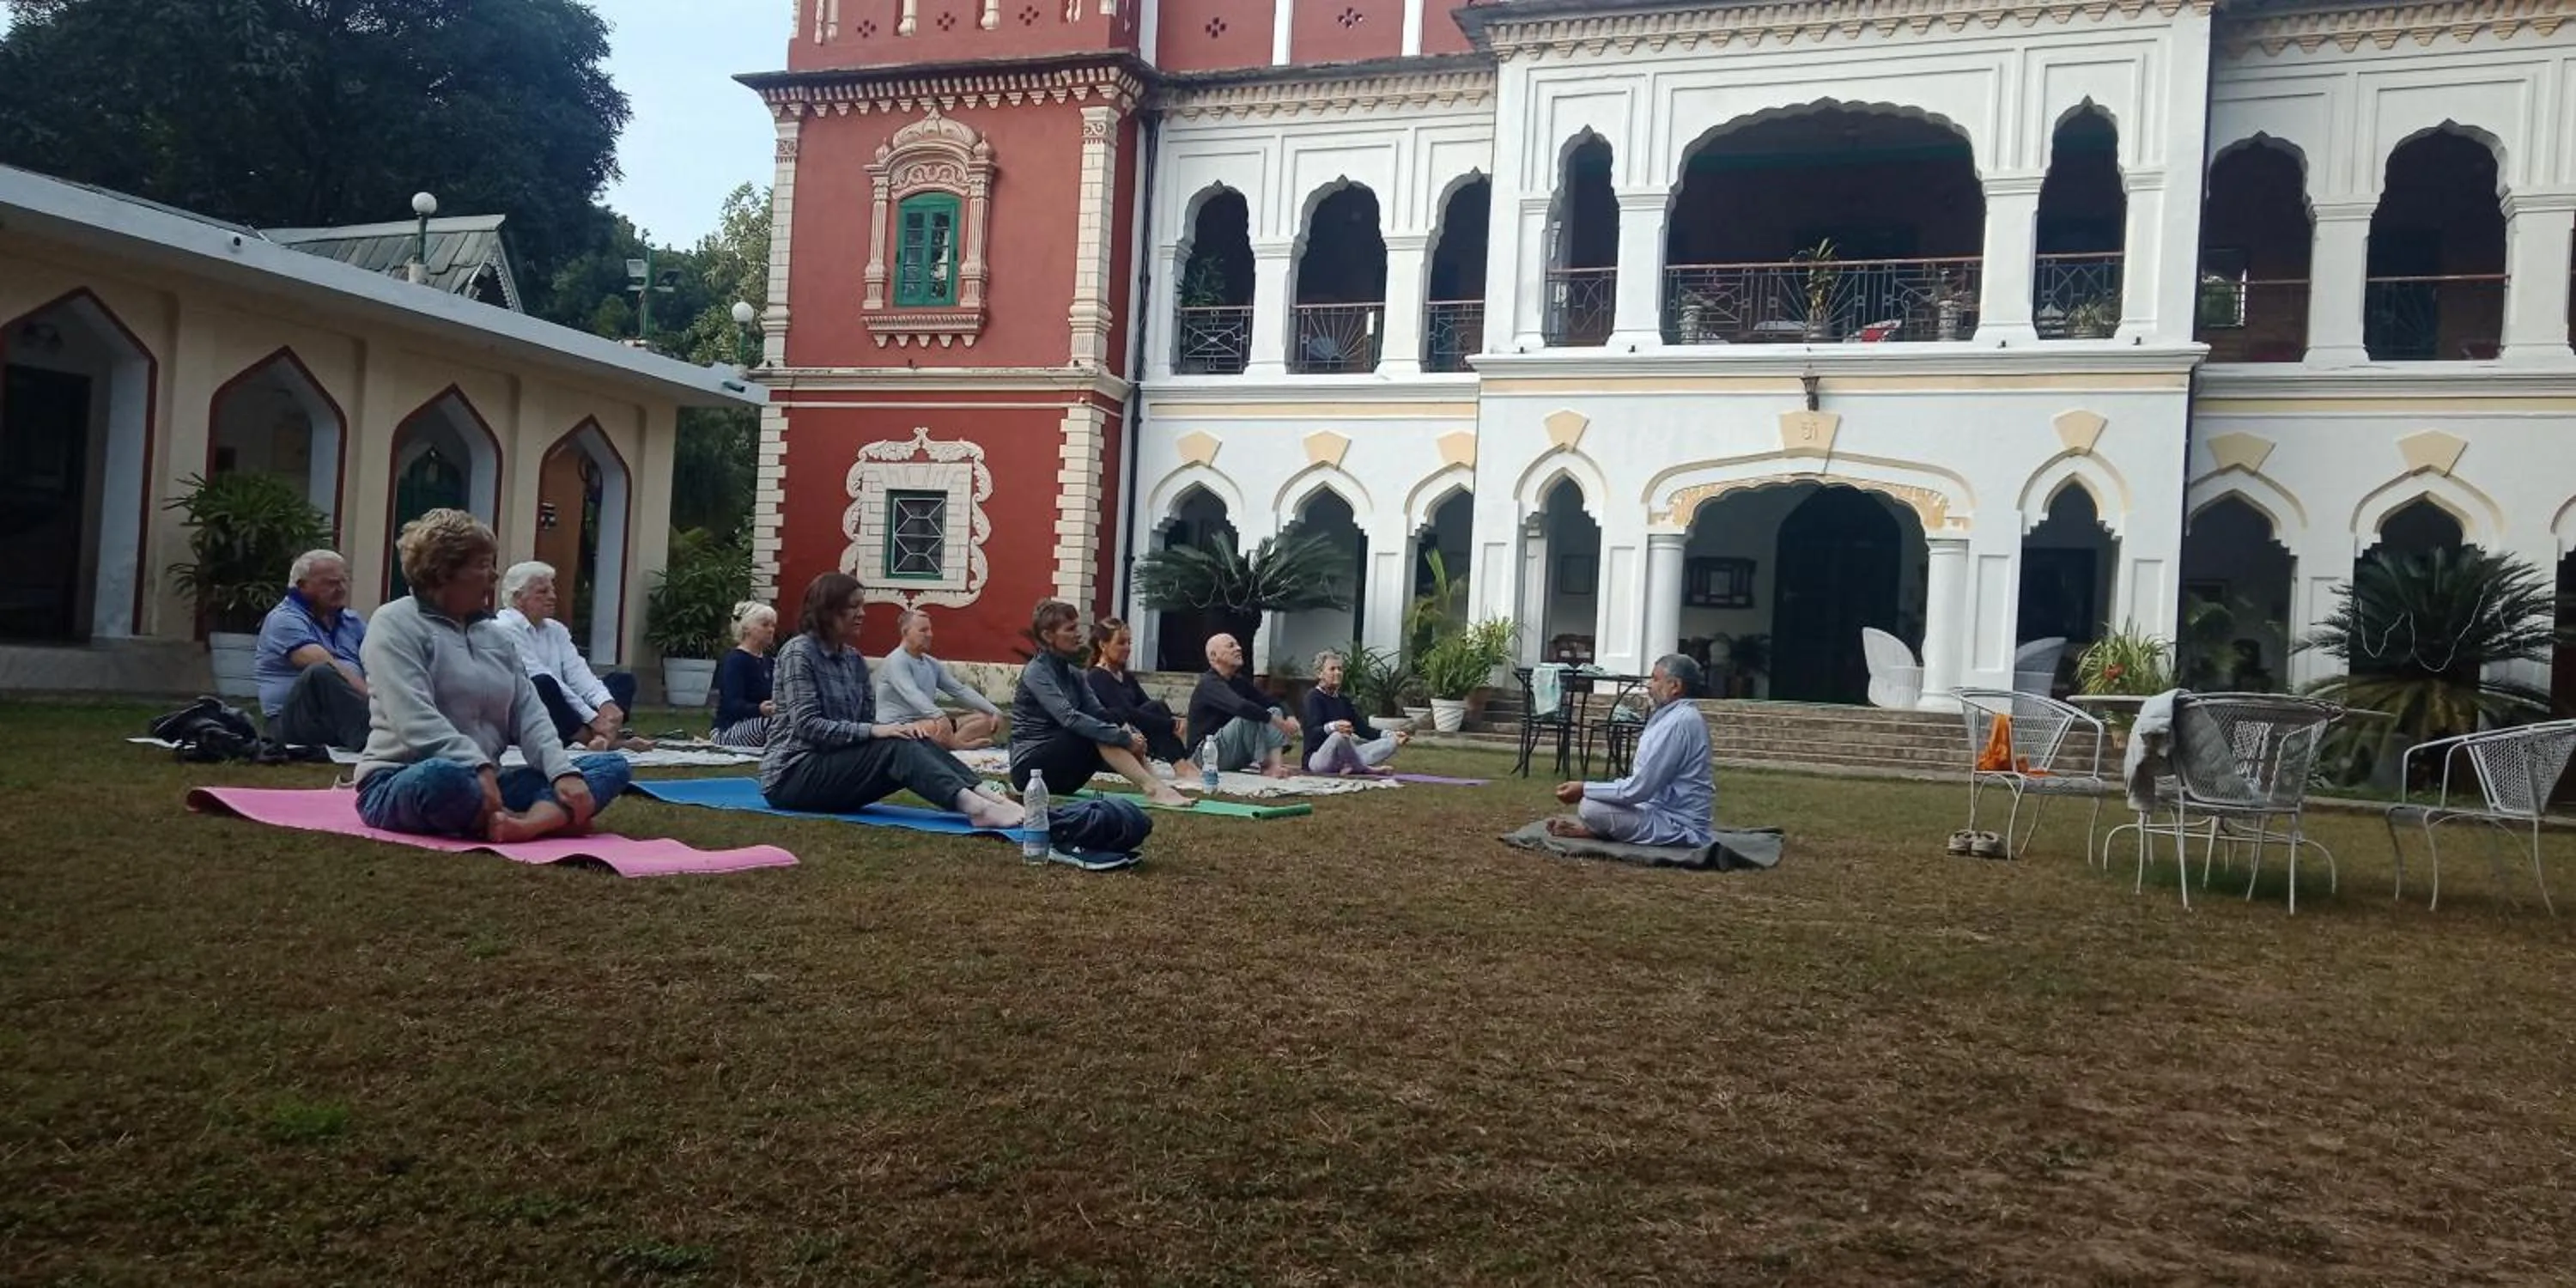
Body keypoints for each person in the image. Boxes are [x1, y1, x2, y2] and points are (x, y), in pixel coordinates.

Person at [352, 510, 632, 841]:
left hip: (489, 782)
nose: (494, 575)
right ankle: (551, 817)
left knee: (610, 766)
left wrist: (561, 772)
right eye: (483, 565)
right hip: (405, 776)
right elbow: (412, 718)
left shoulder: (495, 636)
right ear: (444, 572)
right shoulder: (394, 624)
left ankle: (523, 825)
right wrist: (477, 766)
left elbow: (530, 713)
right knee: (443, 778)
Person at [762, 573, 1025, 829]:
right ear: (827, 611)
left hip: (836, 767)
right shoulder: (799, 653)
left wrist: (892, 730)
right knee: (894, 745)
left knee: (912, 737)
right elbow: (808, 725)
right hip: (792, 776)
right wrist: (877, 731)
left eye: (862, 606)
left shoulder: (853, 659)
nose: (862, 614)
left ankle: (988, 797)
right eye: (854, 607)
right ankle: (976, 809)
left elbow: (865, 720)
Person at [1009, 600, 1193, 805]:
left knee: (1106, 725)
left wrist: (1131, 736)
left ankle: (1158, 786)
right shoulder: (1036, 672)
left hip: (1066, 774)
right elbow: (1069, 718)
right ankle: (1153, 788)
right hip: (1030, 772)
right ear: (1047, 636)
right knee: (1096, 731)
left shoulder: (1074, 673)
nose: (1078, 634)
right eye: (1070, 629)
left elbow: (1100, 713)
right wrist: (1123, 738)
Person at [1546, 654, 1715, 847]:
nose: (1648, 686)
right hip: (1656, 809)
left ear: (1675, 686)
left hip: (1678, 826)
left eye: (1655, 679)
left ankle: (1600, 833)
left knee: (1591, 808)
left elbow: (1639, 789)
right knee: (1595, 804)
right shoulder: (1674, 716)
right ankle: (1600, 832)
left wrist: (1584, 789)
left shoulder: (1680, 722)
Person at [495, 561, 643, 752]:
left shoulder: (556, 630)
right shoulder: (503, 629)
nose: (553, 597)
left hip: (564, 711)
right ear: (518, 598)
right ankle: (594, 738)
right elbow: (540, 676)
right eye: (542, 592)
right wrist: (592, 718)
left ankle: (601, 737)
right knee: (542, 683)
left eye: (552, 590)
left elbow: (578, 673)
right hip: (522, 714)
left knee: (622, 680)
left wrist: (606, 705)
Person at [252, 549, 370, 750]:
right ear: (301, 586)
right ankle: (374, 740)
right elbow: (324, 663)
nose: (341, 589)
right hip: (294, 721)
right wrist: (374, 700)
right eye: (330, 583)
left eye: (343, 581)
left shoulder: (352, 621)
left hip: (338, 720)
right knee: (320, 672)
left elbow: (378, 660)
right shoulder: (284, 619)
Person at [1086, 617, 1198, 779]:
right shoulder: (1097, 677)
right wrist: (1171, 725)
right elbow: (1127, 713)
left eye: (1129, 643)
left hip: (1136, 738)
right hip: (1111, 747)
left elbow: (1146, 705)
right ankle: (1180, 764)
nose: (1127, 648)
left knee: (1157, 706)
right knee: (1155, 709)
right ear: (1103, 645)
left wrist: (1172, 721)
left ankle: (1182, 763)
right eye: (1121, 643)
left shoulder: (1126, 677)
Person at [875, 608, 1002, 750]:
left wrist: (994, 710)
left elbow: (959, 690)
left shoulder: (931, 663)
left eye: (930, 630)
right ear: (905, 632)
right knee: (935, 726)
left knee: (986, 720)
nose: (930, 635)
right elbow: (912, 693)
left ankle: (953, 744)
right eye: (923, 630)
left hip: (930, 723)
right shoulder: (897, 661)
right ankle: (956, 745)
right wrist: (939, 716)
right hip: (899, 727)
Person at [1186, 632, 1300, 779]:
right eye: (1231, 646)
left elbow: (1270, 701)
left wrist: (1290, 716)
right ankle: (1267, 765)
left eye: (1238, 645)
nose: (1238, 648)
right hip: (1205, 755)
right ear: (1214, 656)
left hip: (1231, 752)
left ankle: (1275, 766)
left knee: (1274, 710)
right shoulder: (1209, 684)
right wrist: (1278, 722)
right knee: (1249, 717)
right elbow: (1241, 707)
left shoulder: (1238, 681)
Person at [1301, 649, 1408, 775]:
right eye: (1332, 669)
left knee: (1392, 742)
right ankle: (1364, 768)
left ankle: (1352, 766)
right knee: (1339, 736)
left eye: (1340, 669)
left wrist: (1391, 734)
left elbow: (1363, 730)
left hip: (1343, 759)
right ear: (1320, 673)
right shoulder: (1313, 697)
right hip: (1318, 760)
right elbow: (1312, 733)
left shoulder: (1343, 700)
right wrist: (1333, 727)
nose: (1338, 673)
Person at [711, 600, 778, 748]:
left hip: (761, 723)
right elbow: (731, 704)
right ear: (747, 629)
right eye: (765, 625)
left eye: (773, 625)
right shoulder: (735, 660)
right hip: (730, 729)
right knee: (773, 725)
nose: (771, 630)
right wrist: (759, 709)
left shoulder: (770, 662)